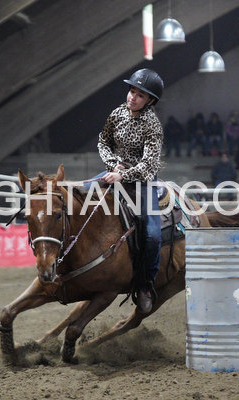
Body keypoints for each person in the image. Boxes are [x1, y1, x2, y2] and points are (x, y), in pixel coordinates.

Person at [96, 68, 164, 314]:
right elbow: (103, 142)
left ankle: (145, 285)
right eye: (132, 91)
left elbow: (149, 164)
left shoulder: (152, 125)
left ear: (150, 101)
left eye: (140, 95)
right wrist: (113, 164)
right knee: (79, 196)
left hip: (142, 181)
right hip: (115, 171)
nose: (132, 97)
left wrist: (123, 175)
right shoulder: (116, 114)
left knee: (152, 235)